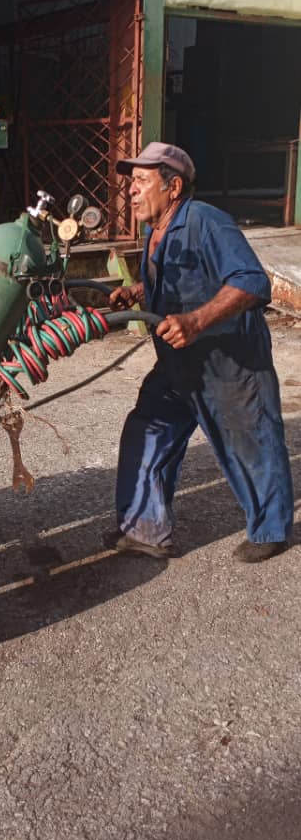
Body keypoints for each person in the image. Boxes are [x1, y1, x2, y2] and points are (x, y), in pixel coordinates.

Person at [110, 141, 293, 563]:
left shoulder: (206, 221)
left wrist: (195, 321)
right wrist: (138, 291)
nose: (131, 190)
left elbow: (252, 282)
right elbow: (190, 280)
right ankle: (145, 529)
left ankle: (271, 530)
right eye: (131, 182)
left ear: (173, 187)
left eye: (141, 181)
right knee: (146, 431)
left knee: (249, 442)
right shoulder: (155, 232)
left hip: (228, 362)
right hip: (178, 362)